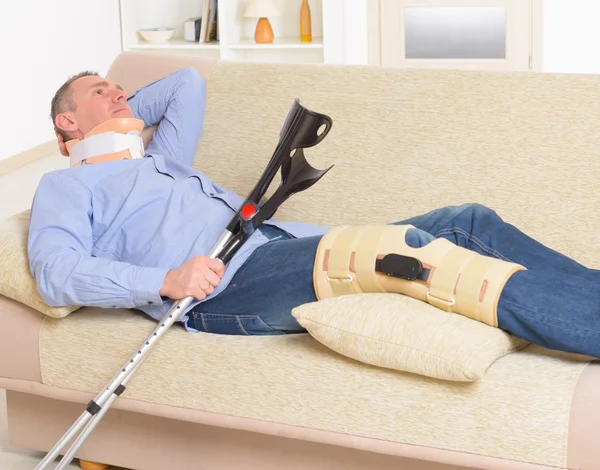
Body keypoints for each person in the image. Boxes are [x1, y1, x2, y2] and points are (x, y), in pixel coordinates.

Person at [28, 67, 600, 360]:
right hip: (225, 287)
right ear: (66, 123)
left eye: (123, 89)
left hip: (280, 241)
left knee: (465, 221)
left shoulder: (160, 160)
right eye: (104, 91)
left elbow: (185, 84)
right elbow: (55, 273)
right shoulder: (66, 187)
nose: (122, 95)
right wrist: (165, 280)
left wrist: (118, 121)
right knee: (404, 253)